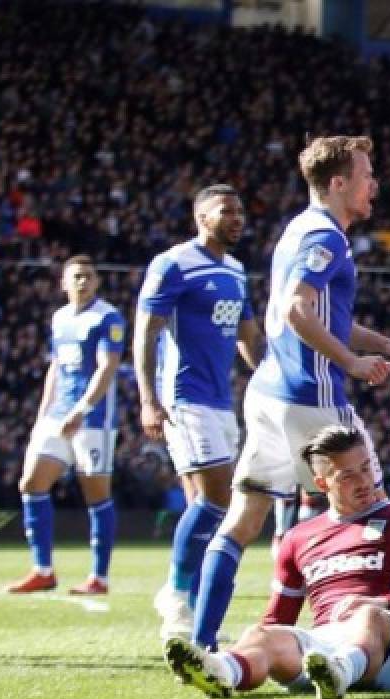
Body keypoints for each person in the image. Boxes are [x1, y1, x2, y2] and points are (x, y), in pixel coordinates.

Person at [190, 135, 390, 650]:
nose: (375, 185)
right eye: (367, 175)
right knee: (374, 510)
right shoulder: (327, 237)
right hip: (312, 396)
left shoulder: (298, 231)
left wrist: (384, 342)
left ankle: (202, 640)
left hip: (268, 394)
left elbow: (326, 316)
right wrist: (351, 363)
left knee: (246, 517)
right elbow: (298, 310)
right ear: (339, 182)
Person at [164, 426, 390, 699]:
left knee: (369, 617)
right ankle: (222, 671)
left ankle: (341, 670)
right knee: (260, 635)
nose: (364, 481)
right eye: (348, 476)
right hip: (321, 649)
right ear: (322, 484)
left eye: (366, 468)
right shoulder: (299, 537)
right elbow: (279, 618)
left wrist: (378, 603)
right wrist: (265, 639)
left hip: (384, 647)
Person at [136, 185, 264, 639]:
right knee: (218, 498)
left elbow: (249, 337)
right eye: (227, 210)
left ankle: (188, 605)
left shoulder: (234, 270)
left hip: (220, 400)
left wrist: (271, 374)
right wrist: (148, 399)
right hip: (184, 397)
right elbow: (146, 331)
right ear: (201, 217)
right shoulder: (174, 263)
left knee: (205, 503)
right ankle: (175, 590)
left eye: (241, 210)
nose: (238, 218)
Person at [7, 255, 125, 595]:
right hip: (57, 416)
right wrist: (44, 414)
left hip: (93, 419)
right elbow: (56, 369)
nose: (83, 282)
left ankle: (99, 578)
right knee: (31, 482)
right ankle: (42, 569)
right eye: (77, 277)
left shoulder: (108, 317)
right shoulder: (59, 319)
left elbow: (107, 367)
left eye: (89, 276)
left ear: (97, 282)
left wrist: (82, 409)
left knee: (96, 494)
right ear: (64, 283)